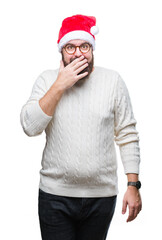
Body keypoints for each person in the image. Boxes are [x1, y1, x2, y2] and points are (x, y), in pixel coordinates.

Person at [20, 14, 142, 240]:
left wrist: (133, 185)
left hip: (101, 197)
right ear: (61, 52)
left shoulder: (112, 81)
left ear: (93, 49)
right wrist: (60, 85)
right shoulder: (47, 80)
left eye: (84, 46)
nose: (78, 53)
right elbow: (30, 127)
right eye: (70, 47)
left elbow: (127, 134)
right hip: (55, 196)